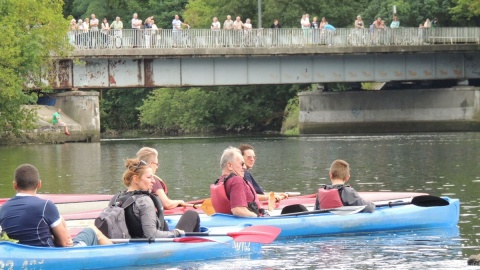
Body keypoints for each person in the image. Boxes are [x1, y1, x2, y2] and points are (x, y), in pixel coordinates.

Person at [0, 164, 111, 247]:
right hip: (52, 257)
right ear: (39, 184)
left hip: (22, 257)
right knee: (93, 231)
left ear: (14, 185)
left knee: (59, 220)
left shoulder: (3, 209)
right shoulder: (45, 206)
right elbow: (64, 243)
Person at [119, 158, 200, 238]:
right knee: (191, 214)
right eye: (149, 177)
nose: (153, 181)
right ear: (136, 179)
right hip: (159, 246)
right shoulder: (144, 201)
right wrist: (176, 232)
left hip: (132, 243)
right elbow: (152, 235)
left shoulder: (117, 198)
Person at [211, 146, 266, 217]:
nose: (245, 167)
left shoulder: (221, 181)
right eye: (242, 164)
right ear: (230, 166)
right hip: (254, 223)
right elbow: (238, 210)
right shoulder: (237, 180)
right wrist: (257, 217)